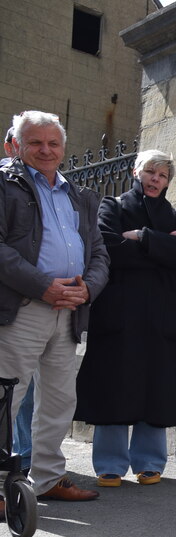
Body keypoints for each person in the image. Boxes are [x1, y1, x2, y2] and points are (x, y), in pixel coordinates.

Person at [0, 110, 109, 505]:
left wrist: (88, 289)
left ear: (63, 149)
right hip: (22, 306)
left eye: (53, 143)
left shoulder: (78, 194)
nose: (45, 150)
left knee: (61, 399)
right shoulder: (3, 183)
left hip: (70, 312)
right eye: (35, 142)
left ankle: (48, 478)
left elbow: (99, 254)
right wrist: (44, 285)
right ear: (15, 145)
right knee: (6, 397)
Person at [74, 150, 176, 487]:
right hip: (119, 314)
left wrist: (140, 238)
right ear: (135, 171)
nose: (156, 179)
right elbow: (109, 248)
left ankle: (149, 463)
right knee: (115, 384)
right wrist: (161, 249)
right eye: (150, 172)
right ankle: (110, 464)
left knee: (155, 386)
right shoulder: (111, 207)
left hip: (161, 317)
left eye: (163, 175)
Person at [2, 125, 33, 474]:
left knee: (24, 392)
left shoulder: (51, 189)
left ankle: (21, 462)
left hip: (31, 306)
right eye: (26, 142)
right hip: (11, 299)